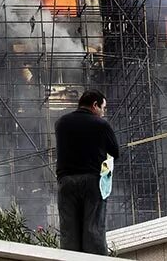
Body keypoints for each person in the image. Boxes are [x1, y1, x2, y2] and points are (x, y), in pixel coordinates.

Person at [55, 90, 119, 255]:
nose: (103, 113)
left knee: (69, 233)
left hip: (66, 182)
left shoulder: (61, 123)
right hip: (92, 181)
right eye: (102, 108)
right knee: (93, 231)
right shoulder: (101, 124)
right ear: (95, 105)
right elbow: (115, 152)